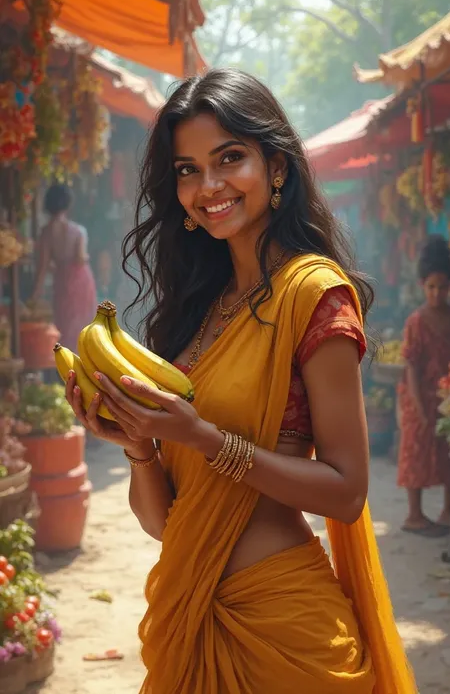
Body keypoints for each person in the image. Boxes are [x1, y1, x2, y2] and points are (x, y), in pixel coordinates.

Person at [65, 69, 416, 693]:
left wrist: (206, 440)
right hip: (190, 616)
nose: (210, 186)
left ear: (276, 166)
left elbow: (347, 492)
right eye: (187, 169)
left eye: (231, 158)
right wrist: (137, 440)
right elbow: (164, 524)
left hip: (285, 632)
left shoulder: (314, 295)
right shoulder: (200, 312)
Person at [398, 235, 450, 536]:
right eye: (431, 287)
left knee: (449, 452)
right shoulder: (416, 320)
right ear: (422, 286)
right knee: (416, 451)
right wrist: (418, 405)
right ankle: (414, 514)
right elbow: (410, 364)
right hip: (418, 396)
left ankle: (447, 510)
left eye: (442, 286)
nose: (436, 293)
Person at [31, 184, 97, 351]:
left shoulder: (46, 232)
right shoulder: (78, 231)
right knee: (83, 323)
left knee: (64, 323)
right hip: (80, 280)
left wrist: (35, 294)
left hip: (61, 281)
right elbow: (81, 258)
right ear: (68, 204)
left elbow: (43, 266)